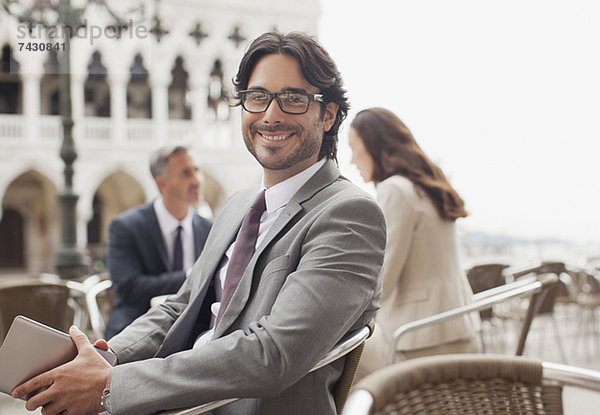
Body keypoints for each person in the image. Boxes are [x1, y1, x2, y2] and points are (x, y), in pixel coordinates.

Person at [12, 32, 386, 415]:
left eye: (293, 99)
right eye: (258, 97)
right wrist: (102, 357)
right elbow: (180, 308)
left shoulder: (349, 214)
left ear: (328, 115)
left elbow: (272, 355)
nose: (271, 115)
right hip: (180, 400)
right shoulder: (238, 205)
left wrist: (111, 386)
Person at [348, 107, 481, 377]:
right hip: (460, 331)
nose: (351, 160)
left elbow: (382, 282)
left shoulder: (394, 189)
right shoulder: (428, 186)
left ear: (375, 146)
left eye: (354, 147)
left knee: (328, 356)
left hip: (417, 342)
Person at [104, 146, 212, 339]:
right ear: (162, 183)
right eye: (185, 173)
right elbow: (129, 288)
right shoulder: (126, 227)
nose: (196, 180)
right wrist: (191, 277)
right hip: (138, 323)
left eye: (197, 170)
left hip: (195, 325)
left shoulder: (210, 229)